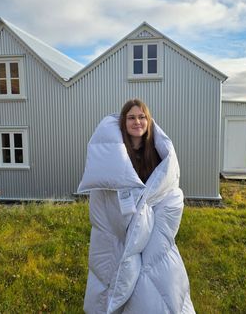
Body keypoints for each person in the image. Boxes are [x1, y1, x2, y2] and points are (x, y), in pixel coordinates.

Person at [78, 99, 195, 313]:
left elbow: (169, 192)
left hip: (153, 231)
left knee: (158, 283)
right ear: (124, 122)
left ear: (148, 121)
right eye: (131, 117)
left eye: (142, 117)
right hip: (119, 230)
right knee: (116, 277)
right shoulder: (114, 157)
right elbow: (103, 200)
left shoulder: (159, 155)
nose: (137, 122)